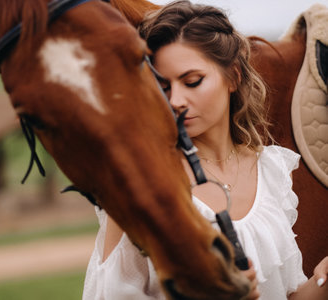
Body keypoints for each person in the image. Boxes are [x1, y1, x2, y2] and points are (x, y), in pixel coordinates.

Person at [82, 1, 328, 299]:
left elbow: (286, 294)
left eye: (192, 81)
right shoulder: (139, 185)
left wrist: (322, 282)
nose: (175, 101)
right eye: (163, 87)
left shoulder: (272, 170)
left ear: (233, 76)